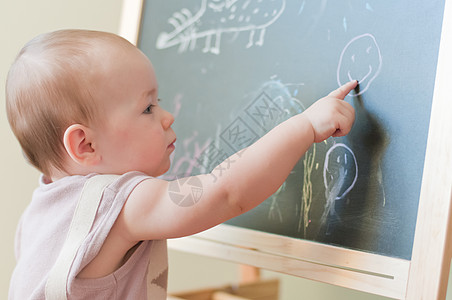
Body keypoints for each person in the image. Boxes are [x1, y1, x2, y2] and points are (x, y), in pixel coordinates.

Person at [6, 29, 357, 299]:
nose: (167, 115)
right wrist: (305, 126)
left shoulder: (42, 211)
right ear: (86, 144)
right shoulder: (117, 201)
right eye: (148, 108)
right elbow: (225, 192)